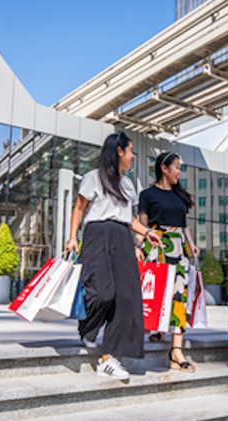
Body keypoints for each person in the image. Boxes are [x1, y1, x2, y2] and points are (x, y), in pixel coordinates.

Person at [65, 130, 162, 381]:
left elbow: (127, 218)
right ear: (119, 151)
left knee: (127, 297)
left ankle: (109, 357)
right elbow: (79, 207)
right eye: (131, 151)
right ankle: (88, 327)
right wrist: (73, 237)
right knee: (102, 291)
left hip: (122, 238)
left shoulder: (127, 184)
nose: (133, 157)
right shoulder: (93, 178)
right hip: (97, 235)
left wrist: (147, 232)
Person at [134, 152, 200, 373]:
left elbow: (184, 225)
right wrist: (137, 246)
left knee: (178, 295)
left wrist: (191, 243)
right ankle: (158, 328)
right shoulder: (147, 194)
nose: (179, 172)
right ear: (164, 168)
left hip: (179, 248)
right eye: (177, 167)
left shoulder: (181, 196)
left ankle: (176, 350)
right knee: (156, 293)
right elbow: (143, 224)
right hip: (156, 245)